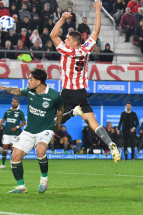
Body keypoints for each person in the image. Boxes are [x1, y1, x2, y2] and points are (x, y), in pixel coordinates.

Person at [49, 0, 120, 163]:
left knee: (55, 124)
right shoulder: (85, 49)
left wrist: (62, 18)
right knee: (94, 124)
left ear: (74, 43)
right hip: (81, 93)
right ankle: (111, 144)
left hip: (67, 93)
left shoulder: (67, 51)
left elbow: (53, 35)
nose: (65, 40)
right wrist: (97, 10)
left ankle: (72, 113)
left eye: (67, 39)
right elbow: (96, 31)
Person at [0, 68, 64, 194]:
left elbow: (61, 109)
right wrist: (2, 87)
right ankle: (21, 187)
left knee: (40, 150)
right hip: (29, 130)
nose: (28, 81)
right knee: (14, 156)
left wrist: (58, 123)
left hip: (45, 129)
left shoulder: (54, 95)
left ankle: (44, 178)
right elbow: (17, 91)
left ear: (39, 82)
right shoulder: (30, 91)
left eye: (31, 79)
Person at [0, 98, 26, 169]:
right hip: (6, 133)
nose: (15, 103)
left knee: (12, 148)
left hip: (15, 133)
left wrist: (17, 127)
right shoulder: (7, 111)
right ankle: (3, 164)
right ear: (11, 103)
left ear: (18, 104)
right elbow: (3, 120)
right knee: (5, 147)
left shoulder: (20, 112)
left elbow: (24, 123)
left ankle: (12, 163)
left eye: (16, 102)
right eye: (13, 102)